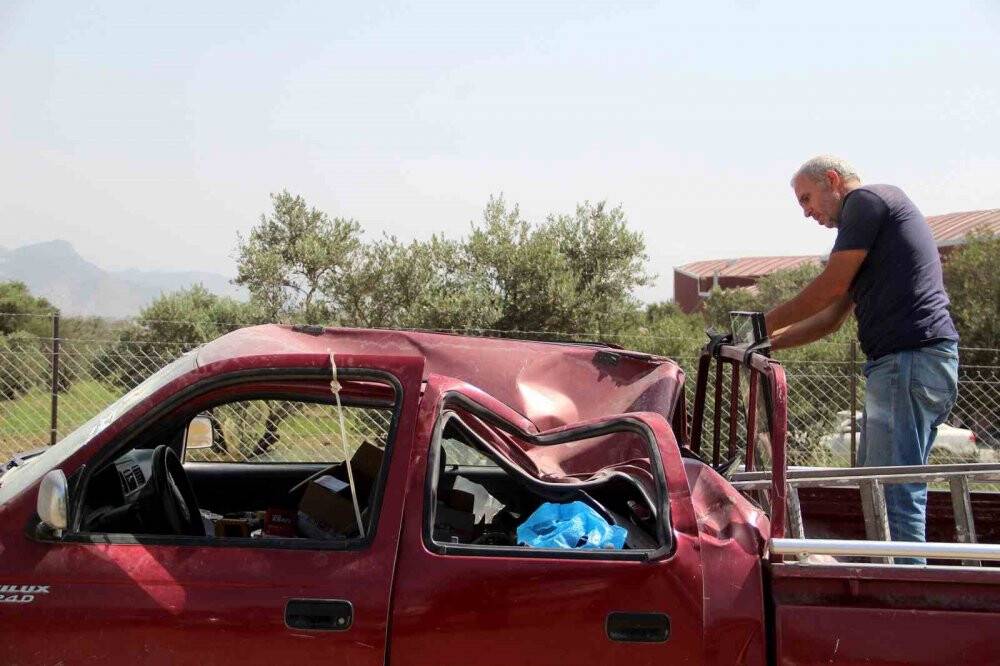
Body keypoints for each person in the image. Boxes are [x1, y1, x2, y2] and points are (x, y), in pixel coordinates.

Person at [764, 155, 959, 563]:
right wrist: (763, 344)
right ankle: (893, 583)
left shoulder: (866, 202)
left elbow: (829, 287)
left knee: (893, 491)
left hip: (907, 361)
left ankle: (905, 597)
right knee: (879, 485)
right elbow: (828, 321)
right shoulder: (873, 238)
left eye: (807, 199)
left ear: (833, 180)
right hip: (907, 365)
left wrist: (754, 327)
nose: (807, 212)